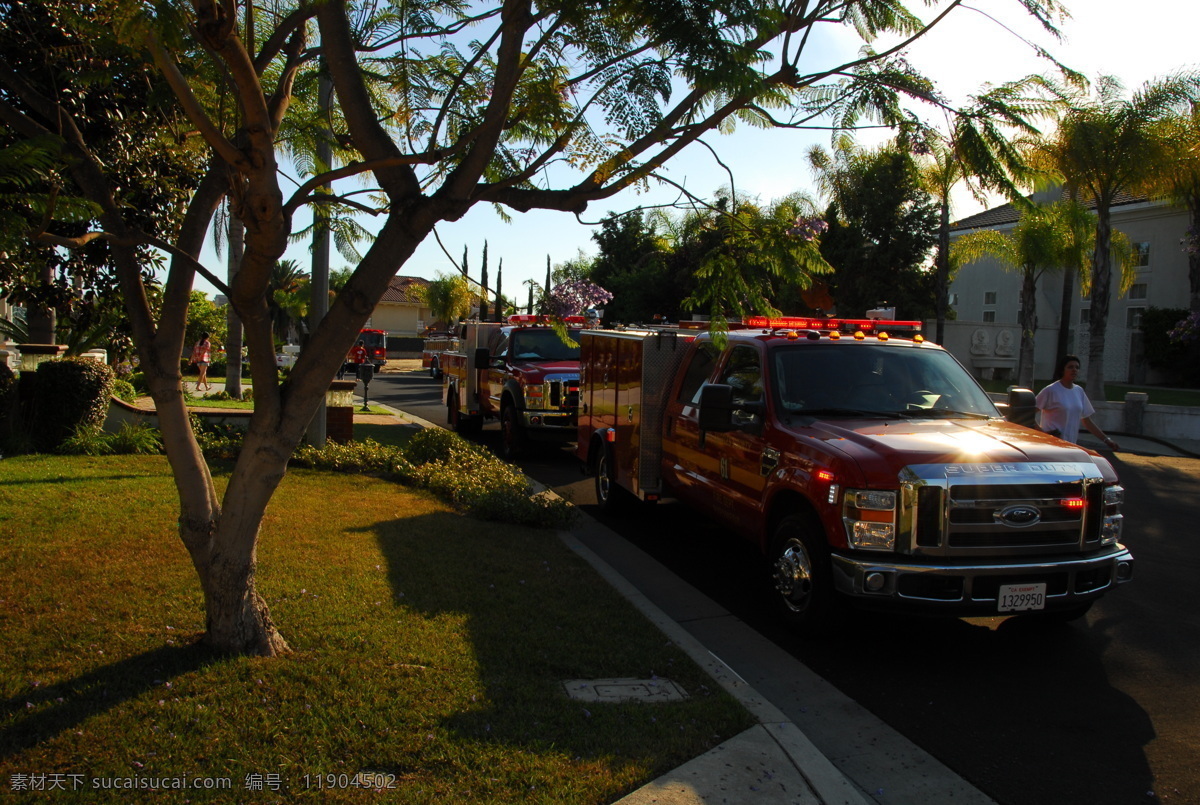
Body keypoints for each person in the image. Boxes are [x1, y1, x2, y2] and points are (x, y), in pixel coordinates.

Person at [1036, 354, 1119, 450]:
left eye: (1077, 367)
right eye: (1070, 367)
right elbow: (1028, 413)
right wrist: (1043, 433)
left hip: (1071, 446)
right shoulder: (1051, 390)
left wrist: (1106, 440)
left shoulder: (1078, 391)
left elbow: (1087, 421)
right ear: (1062, 370)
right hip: (1051, 446)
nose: (1074, 370)